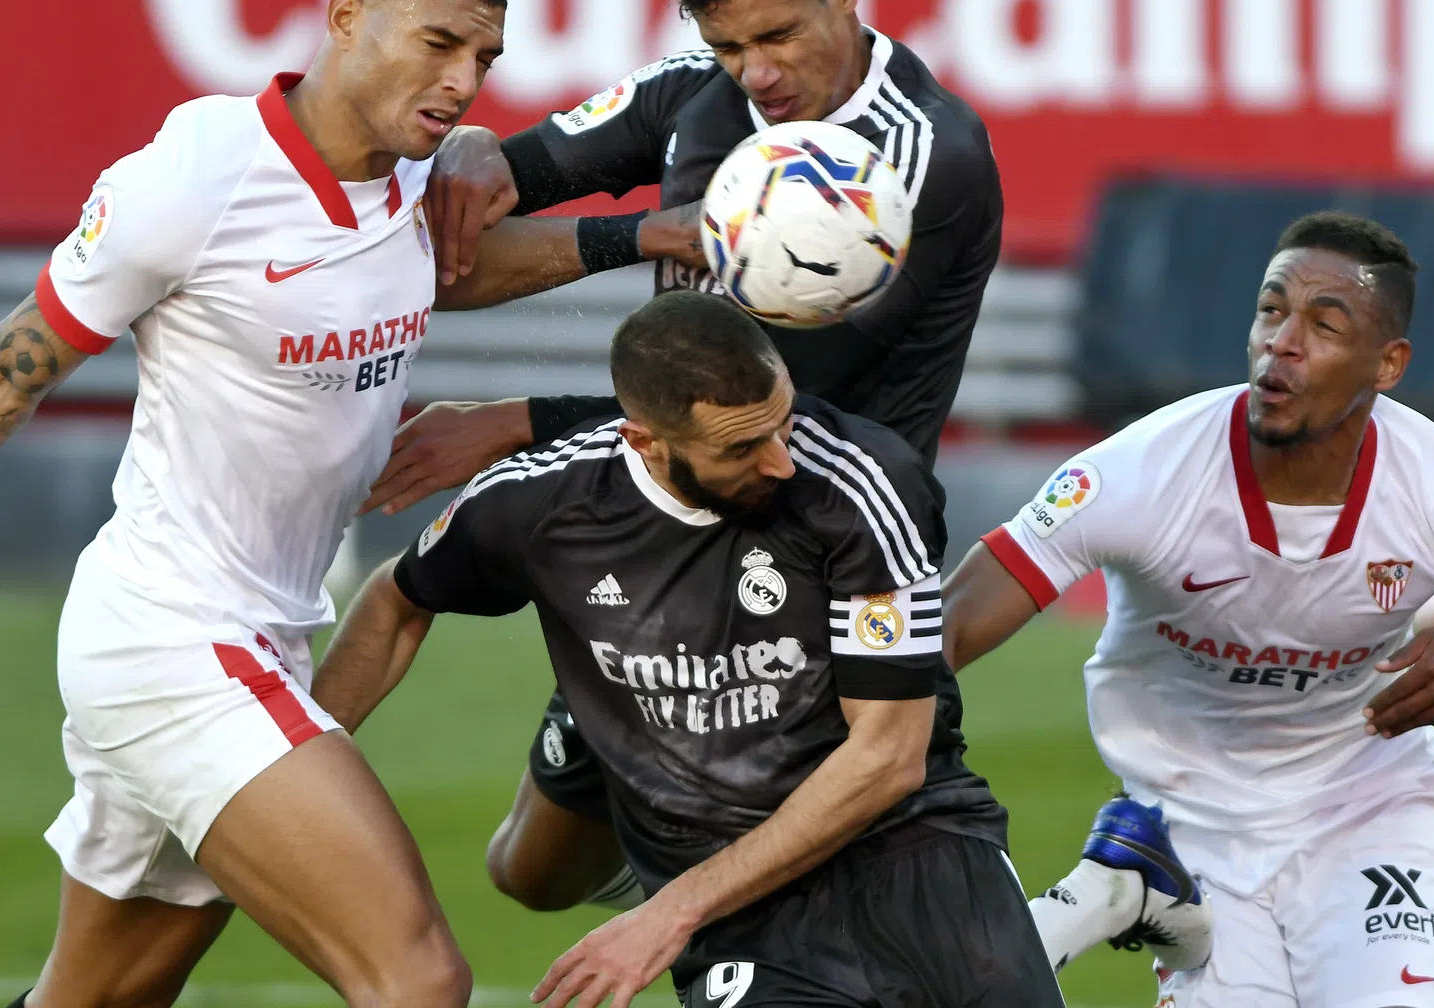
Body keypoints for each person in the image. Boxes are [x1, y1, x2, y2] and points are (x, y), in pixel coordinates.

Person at [360, 0, 1011, 919]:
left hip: (822, 549)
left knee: (801, 910)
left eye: (779, 36)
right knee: (528, 871)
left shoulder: (926, 164)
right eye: (728, 45)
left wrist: (513, 423)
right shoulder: (693, 99)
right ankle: (667, 860)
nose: (756, 73)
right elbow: (459, 242)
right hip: (658, 530)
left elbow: (762, 412)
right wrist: (510, 172)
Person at [0, 0, 516, 1007]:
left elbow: (455, 265)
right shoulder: (201, 174)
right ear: (345, 17)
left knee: (94, 998)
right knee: (418, 977)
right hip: (172, 642)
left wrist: (653, 237)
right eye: (439, 44)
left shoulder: (405, 186)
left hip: (260, 635)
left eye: (484, 61)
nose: (465, 81)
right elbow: (3, 373)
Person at [942, 212, 1434, 1007]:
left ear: (1387, 364)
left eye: (1324, 323)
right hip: (1189, 827)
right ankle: (1135, 887)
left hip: (1367, 808)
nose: (1281, 341)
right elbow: (950, 627)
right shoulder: (1140, 473)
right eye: (1270, 309)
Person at [310, 291, 1068, 1008]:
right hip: (732, 883)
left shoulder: (864, 483)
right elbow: (394, 603)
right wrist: (298, 766)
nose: (780, 462)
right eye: (743, 447)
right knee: (524, 872)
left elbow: (890, 757)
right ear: (643, 438)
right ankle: (610, 727)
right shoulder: (537, 505)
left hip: (911, 843)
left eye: (783, 423)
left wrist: (667, 914)